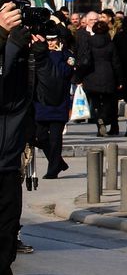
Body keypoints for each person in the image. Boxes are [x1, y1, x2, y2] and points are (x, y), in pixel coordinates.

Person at [0, 0, 36, 275]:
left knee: (3, 258)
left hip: (8, 168)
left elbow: (25, 103)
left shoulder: (18, 49)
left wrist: (34, 57)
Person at [31, 25, 71, 179]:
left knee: (55, 139)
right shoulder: (40, 54)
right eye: (47, 40)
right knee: (40, 137)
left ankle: (53, 168)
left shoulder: (67, 55)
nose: (50, 43)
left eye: (53, 39)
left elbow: (64, 73)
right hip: (41, 102)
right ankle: (58, 162)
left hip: (59, 102)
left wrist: (58, 55)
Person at [82, 19, 122, 137]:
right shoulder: (110, 44)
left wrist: (80, 76)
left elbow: (85, 60)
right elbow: (116, 63)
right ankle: (104, 118)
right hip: (108, 75)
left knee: (95, 103)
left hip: (91, 75)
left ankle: (100, 123)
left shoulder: (89, 42)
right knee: (108, 102)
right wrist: (119, 79)